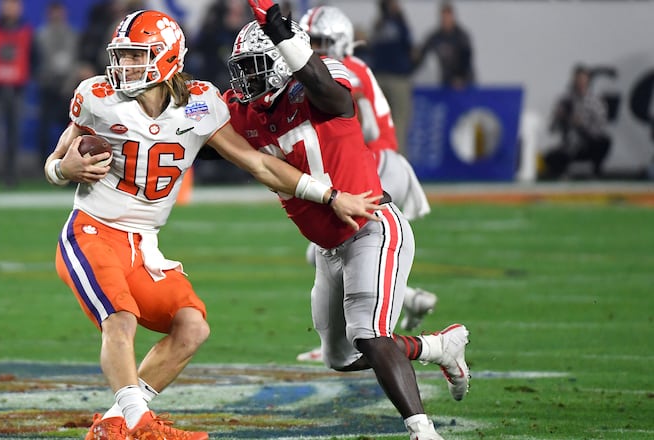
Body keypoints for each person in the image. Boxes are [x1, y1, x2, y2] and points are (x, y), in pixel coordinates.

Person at [44, 9, 380, 440]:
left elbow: (259, 163)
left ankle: (113, 423)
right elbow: (54, 162)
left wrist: (329, 195)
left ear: (167, 59)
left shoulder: (202, 104)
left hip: (143, 245)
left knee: (192, 326)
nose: (124, 66)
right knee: (121, 319)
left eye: (136, 56)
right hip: (92, 231)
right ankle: (142, 427)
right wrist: (62, 169)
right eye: (122, 56)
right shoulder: (95, 96)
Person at [224, 1, 469, 438]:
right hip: (328, 247)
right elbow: (194, 128)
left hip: (372, 225)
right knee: (340, 356)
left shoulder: (324, 83)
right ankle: (437, 346)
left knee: (370, 334)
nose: (247, 79)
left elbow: (327, 88)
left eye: (257, 67)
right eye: (243, 68)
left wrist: (280, 29)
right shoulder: (245, 111)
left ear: (283, 62)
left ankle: (423, 432)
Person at [294, 5, 437, 363]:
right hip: (379, 164)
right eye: (312, 41)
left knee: (329, 251)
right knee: (334, 255)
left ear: (342, 42)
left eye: (324, 41)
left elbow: (369, 128)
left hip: (377, 164)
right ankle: (355, 336)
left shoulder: (344, 72)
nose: (317, 48)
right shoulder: (344, 69)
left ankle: (380, 327)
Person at [0, 0, 34, 187]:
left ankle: (11, 175)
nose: (10, 8)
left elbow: (34, 56)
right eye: (7, 4)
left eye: (13, 4)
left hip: (17, 89)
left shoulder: (27, 30)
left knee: (14, 135)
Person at [541, 64, 611, 180]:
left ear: (588, 80)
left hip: (588, 143)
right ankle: (562, 173)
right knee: (550, 157)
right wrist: (559, 118)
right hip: (570, 146)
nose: (580, 82)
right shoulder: (565, 100)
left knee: (604, 142)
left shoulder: (595, 101)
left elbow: (600, 128)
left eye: (583, 79)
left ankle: (596, 171)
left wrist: (582, 125)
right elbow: (551, 129)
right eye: (577, 79)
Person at [369, 0, 414, 154]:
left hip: (379, 77)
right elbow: (409, 48)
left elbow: (372, 49)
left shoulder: (378, 25)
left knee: (379, 122)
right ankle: (399, 163)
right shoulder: (398, 23)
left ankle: (380, 161)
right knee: (399, 121)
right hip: (397, 77)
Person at [35, 1, 78, 160]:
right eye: (54, 12)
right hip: (47, 86)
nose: (56, 16)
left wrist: (70, 83)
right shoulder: (40, 35)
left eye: (59, 12)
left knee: (70, 127)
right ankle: (43, 162)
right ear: (48, 14)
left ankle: (68, 160)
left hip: (68, 87)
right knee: (44, 127)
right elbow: (36, 60)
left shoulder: (72, 34)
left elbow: (75, 59)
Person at [414, 1, 474, 90]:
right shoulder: (436, 36)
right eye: (444, 16)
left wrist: (460, 76)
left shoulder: (461, 36)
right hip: (446, 80)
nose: (446, 19)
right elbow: (423, 51)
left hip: (464, 81)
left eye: (448, 16)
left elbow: (466, 57)